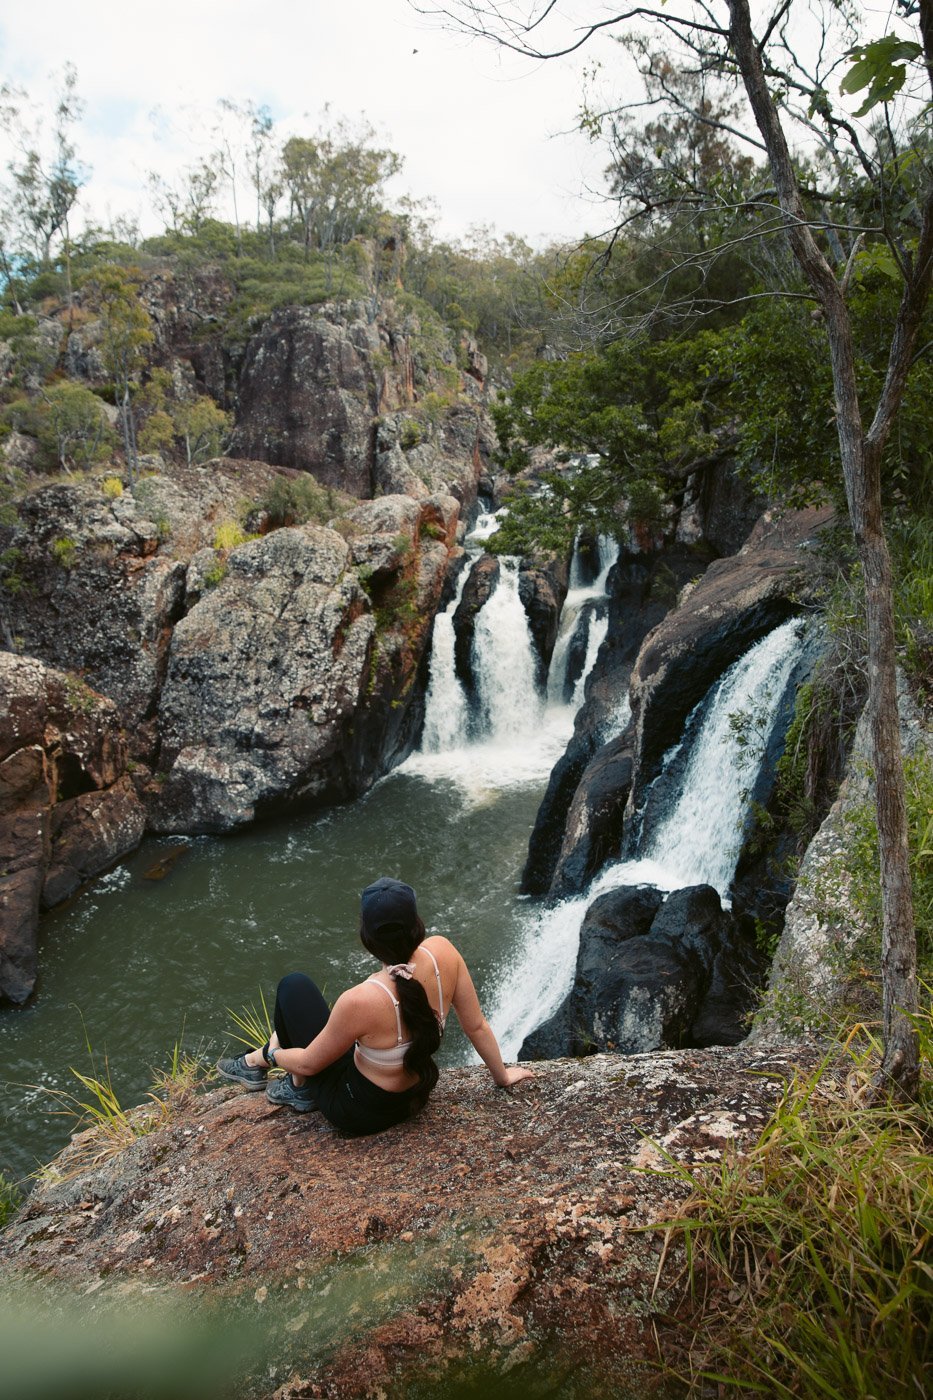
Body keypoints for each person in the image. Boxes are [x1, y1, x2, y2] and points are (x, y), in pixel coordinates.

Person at [216, 876, 533, 1136]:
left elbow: (310, 1063)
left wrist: (273, 1056)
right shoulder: (444, 953)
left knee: (294, 987)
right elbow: (476, 1025)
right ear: (417, 925)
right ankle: (262, 1060)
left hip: (360, 1111)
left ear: (366, 937)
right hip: (416, 1095)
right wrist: (502, 1076)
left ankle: (278, 1076)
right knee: (308, 1026)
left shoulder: (361, 999)